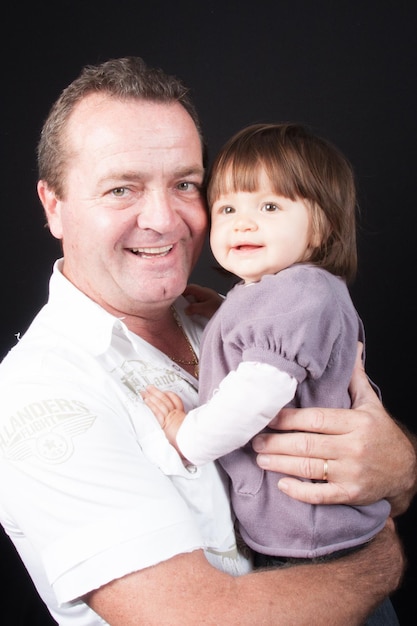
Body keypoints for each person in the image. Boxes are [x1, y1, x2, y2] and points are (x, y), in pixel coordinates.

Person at [0, 56, 414, 626]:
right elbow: (198, 618)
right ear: (55, 206)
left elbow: (360, 435)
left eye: (185, 185)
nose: (163, 219)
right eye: (121, 188)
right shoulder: (42, 396)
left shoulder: (233, 312)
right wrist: (380, 562)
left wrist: (399, 465)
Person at [142, 122, 391, 569]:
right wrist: (224, 310)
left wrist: (188, 436)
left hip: (309, 542)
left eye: (270, 205)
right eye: (227, 208)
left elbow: (256, 395)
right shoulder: (294, 292)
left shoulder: (297, 293)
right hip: (309, 530)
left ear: (321, 227)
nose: (245, 222)